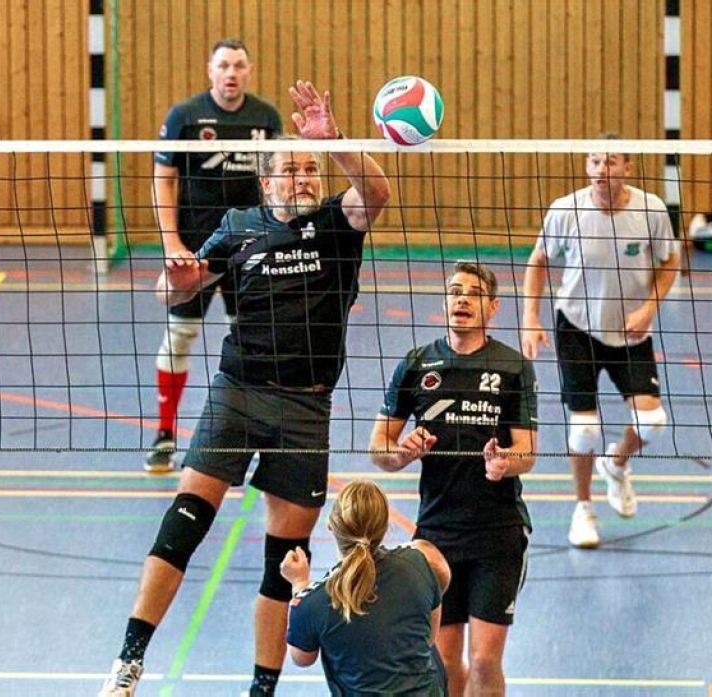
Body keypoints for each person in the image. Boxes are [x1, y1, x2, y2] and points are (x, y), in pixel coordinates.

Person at [98, 80, 391, 697]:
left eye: (308, 168)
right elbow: (176, 290)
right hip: (237, 391)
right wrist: (174, 280)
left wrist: (330, 141)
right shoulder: (237, 226)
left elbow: (378, 190)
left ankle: (261, 689)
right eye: (289, 169)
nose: (302, 177)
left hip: (306, 407)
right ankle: (128, 662)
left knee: (282, 564)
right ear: (266, 182)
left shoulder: (339, 224)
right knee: (182, 525)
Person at [369, 261, 538, 697]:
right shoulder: (416, 365)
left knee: (483, 660)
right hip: (438, 532)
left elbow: (527, 451)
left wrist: (505, 463)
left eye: (474, 292)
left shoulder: (513, 367)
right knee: (444, 660)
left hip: (496, 533)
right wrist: (401, 453)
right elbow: (379, 448)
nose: (462, 298)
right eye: (455, 290)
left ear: (492, 307)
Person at [520, 134, 680, 549]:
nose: (600, 171)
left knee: (652, 421)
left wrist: (649, 308)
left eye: (610, 162)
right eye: (594, 162)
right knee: (584, 429)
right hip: (576, 328)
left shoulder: (651, 210)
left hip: (631, 332)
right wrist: (530, 318)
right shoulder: (565, 210)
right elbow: (538, 261)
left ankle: (617, 462)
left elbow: (670, 262)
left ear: (628, 168)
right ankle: (584, 507)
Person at [145, 37, 284, 474]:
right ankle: (165, 435)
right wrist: (172, 243)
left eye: (239, 65)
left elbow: (277, 181)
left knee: (251, 341)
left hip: (250, 250)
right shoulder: (185, 117)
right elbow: (163, 178)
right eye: (223, 65)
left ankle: (251, 435)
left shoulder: (266, 118)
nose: (231, 73)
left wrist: (280, 241)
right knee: (181, 335)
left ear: (249, 70)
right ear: (210, 71)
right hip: (197, 249)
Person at [281, 479, 452, 696]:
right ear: (384, 526)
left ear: (331, 526)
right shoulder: (417, 564)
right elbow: (429, 637)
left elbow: (302, 658)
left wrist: (299, 584)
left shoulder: (312, 602)